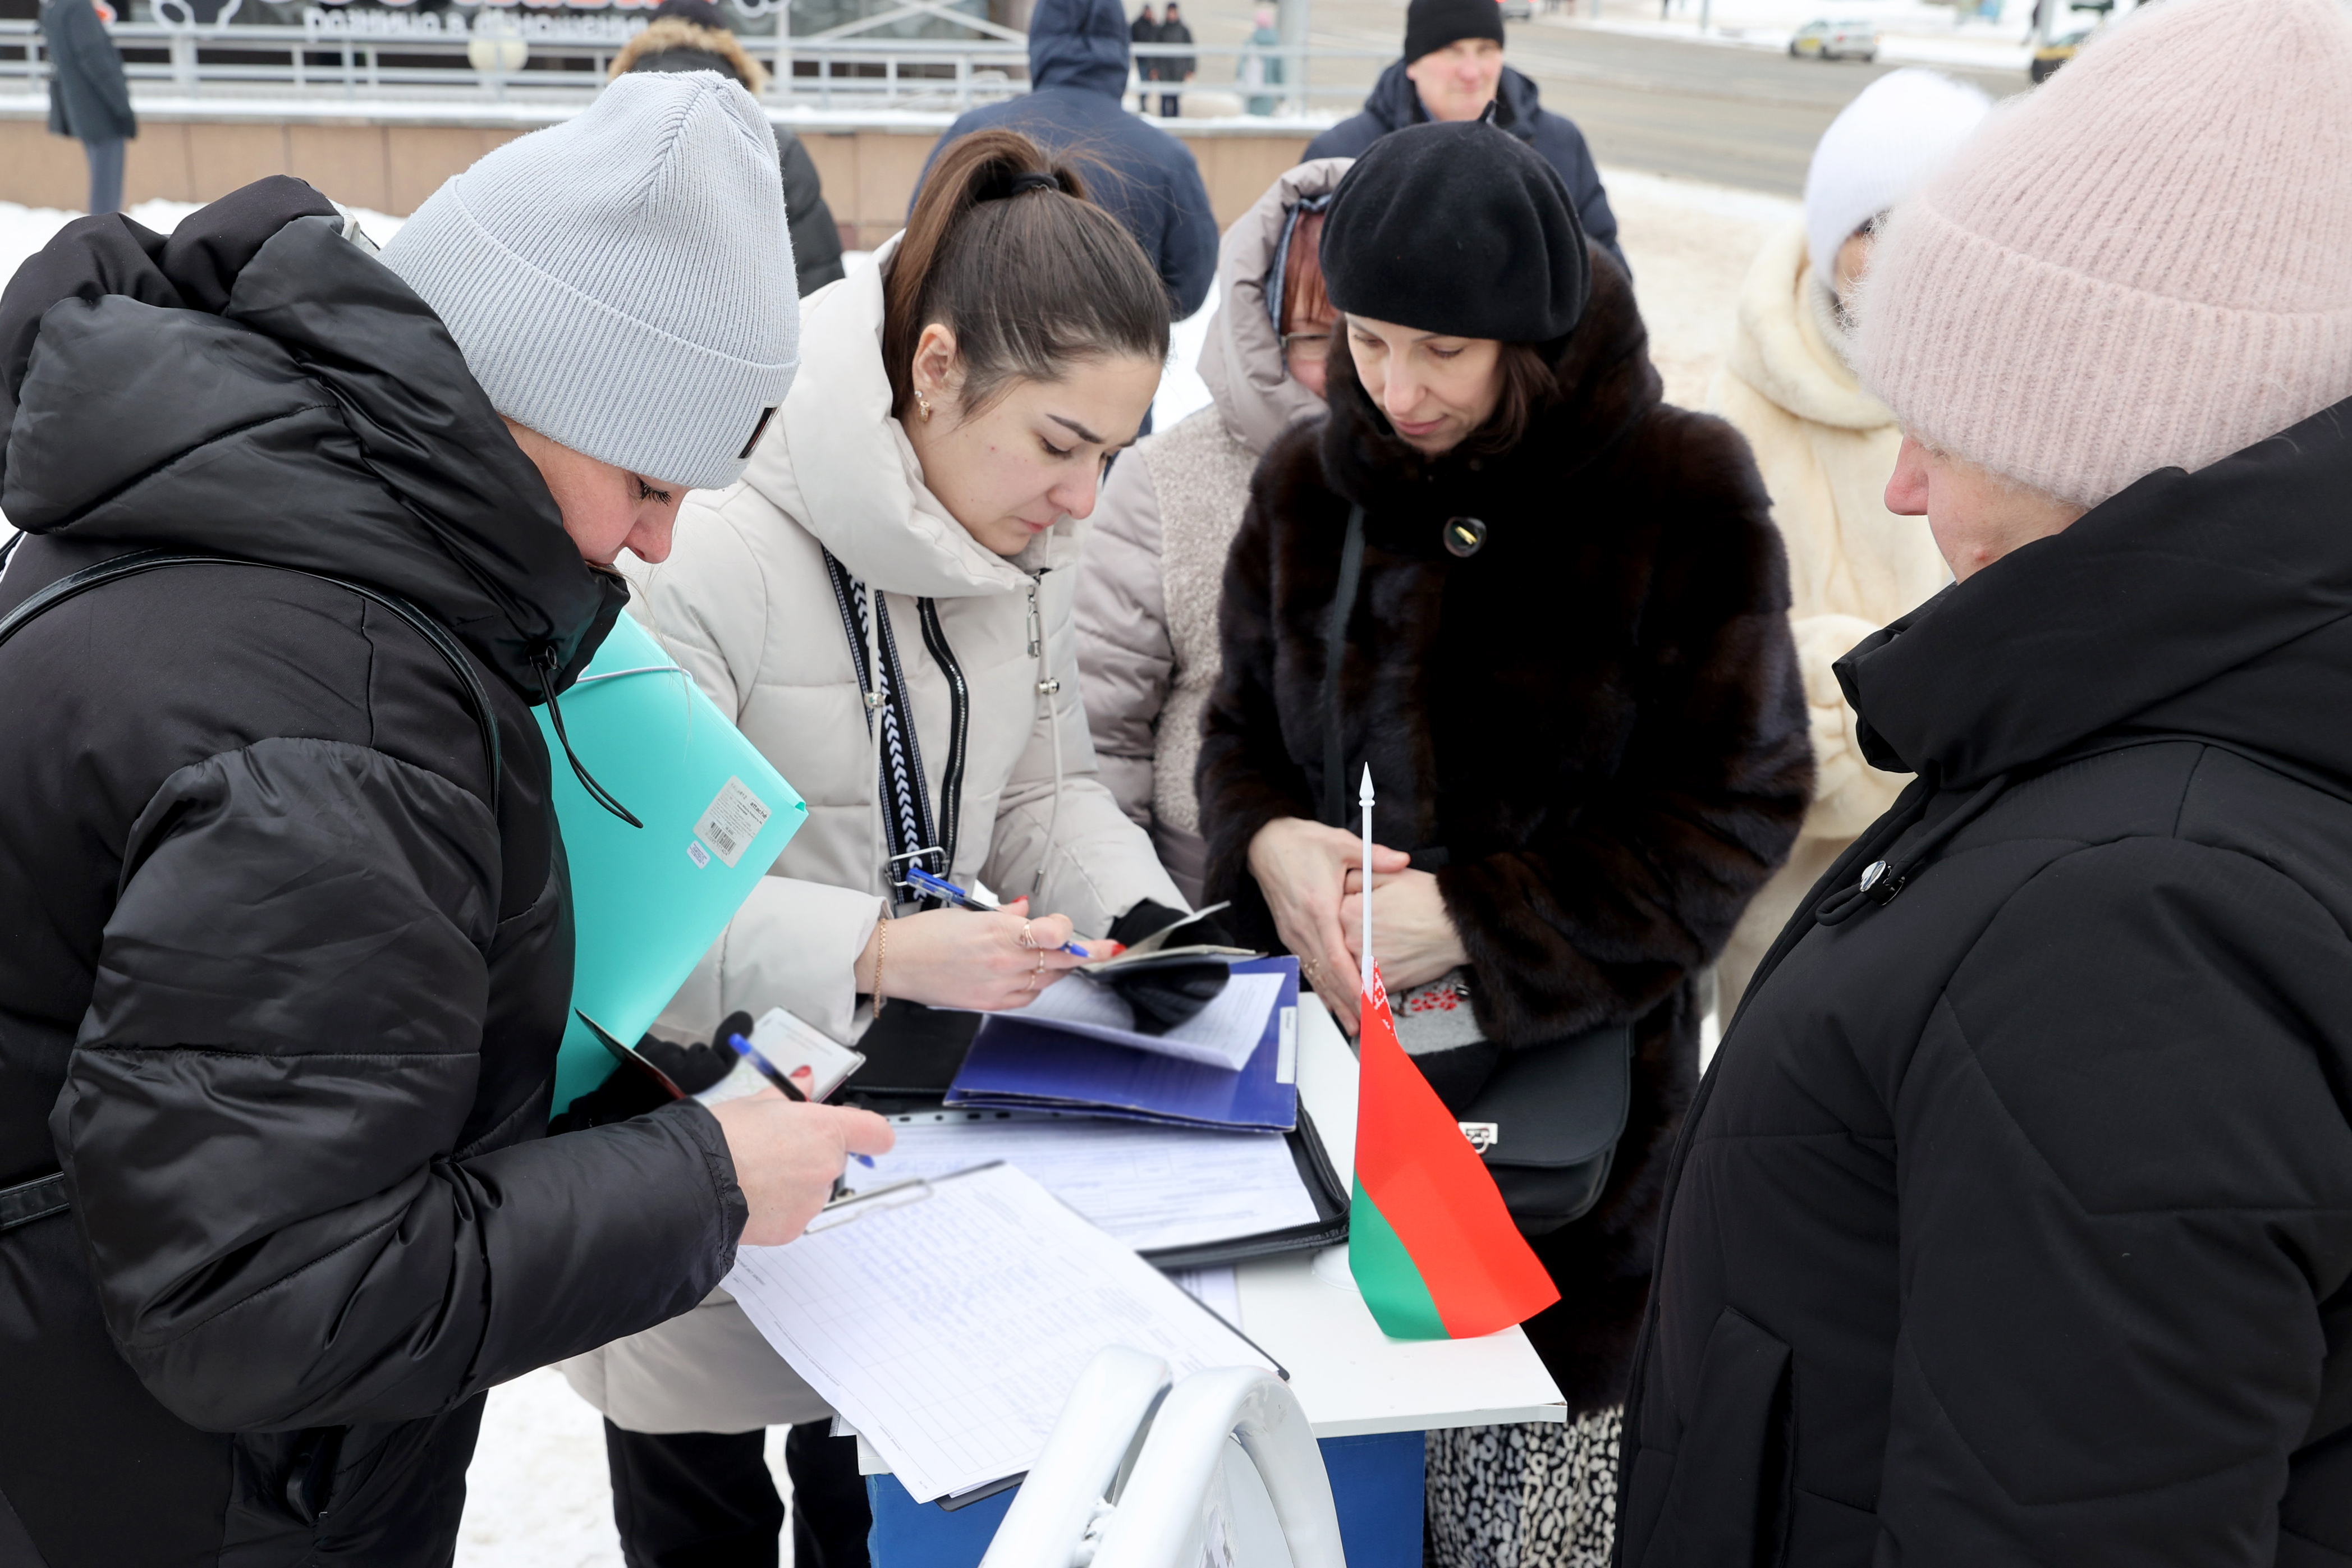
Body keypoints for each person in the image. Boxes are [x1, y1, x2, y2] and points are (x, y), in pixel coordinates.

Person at [0, 73, 892, 1568]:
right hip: (183, 1503)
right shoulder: (333, 726)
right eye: (647, 478)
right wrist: (705, 1184)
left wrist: (597, 1116)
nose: (659, 539)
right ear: (525, 396)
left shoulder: (260, 524)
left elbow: (278, 1084)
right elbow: (267, 1295)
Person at [1616, 2, 2352, 1563]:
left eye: (1941, 429)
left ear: (2117, 444)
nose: (1896, 482)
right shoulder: (2137, 777)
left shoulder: (2139, 929)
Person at [563, 127, 1196, 1568]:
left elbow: (1041, 798)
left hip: (906, 1147)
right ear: (932, 370)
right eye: (1058, 444)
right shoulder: (706, 540)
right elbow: (612, 917)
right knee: (701, 1519)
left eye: (1111, 454)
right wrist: (873, 945)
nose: (1084, 500)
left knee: (882, 1505)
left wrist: (1151, 920)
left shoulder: (1027, 545)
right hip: (691, 1141)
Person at [1195, 121, 1809, 1567]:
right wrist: (1266, 845)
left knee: (1521, 1536)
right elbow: (1235, 740)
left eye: (1439, 353)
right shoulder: (1303, 495)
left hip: (1569, 1182)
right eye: (1364, 342)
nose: (1394, 390)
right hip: (1328, 1157)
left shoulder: (1679, 491)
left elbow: (1735, 809)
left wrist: (1476, 918)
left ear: (1525, 341)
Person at [1708, 68, 1988, 1014]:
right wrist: (1860, 724)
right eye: (1870, 226)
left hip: (1976, 857)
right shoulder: (1742, 406)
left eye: (1928, 224)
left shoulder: (2020, 397)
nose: (1898, 254)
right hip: (1799, 885)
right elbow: (1718, 658)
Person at [1077, 157, 1348, 906]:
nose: (1357, 370)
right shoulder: (1160, 482)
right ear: (1260, 322)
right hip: (1210, 902)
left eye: (1378, 335)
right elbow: (1099, 740)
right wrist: (1139, 924)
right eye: (1318, 338)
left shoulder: (1453, 482)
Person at [916, 0, 1218, 322]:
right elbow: (1189, 287)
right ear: (1120, 44)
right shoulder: (1168, 158)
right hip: (1115, 359)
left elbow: (918, 248)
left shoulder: (973, 134)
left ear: (1039, 40)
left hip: (986, 358)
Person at [1303, 0, 1623, 272]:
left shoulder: (1560, 145)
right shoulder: (1343, 156)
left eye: (1486, 49)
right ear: (1413, 64)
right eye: (1452, 51)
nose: (1472, 72)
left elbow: (1608, 279)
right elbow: (1305, 298)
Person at [609, 0, 846, 297]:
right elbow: (817, 281)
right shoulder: (774, 146)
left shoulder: (600, 133)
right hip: (744, 334)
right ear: (730, 55)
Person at [38, 0, 134, 217]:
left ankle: (104, 234)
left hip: (80, 107)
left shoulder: (55, 6)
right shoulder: (77, 6)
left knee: (102, 182)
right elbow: (95, 58)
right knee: (106, 190)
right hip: (100, 108)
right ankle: (106, 239)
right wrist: (121, 106)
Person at [1239, 3, 1283, 116]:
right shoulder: (1275, 45)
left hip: (1252, 92)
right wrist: (1283, 96)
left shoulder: (1250, 43)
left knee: (1252, 121)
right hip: (1269, 95)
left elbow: (1240, 69)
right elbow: (1280, 72)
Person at [1156, 0, 1195, 118]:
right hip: (1164, 69)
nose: (1172, 14)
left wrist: (1190, 69)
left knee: (1176, 98)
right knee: (1164, 98)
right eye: (1170, 12)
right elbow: (1154, 50)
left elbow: (1191, 50)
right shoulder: (1161, 29)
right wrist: (1154, 68)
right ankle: (1164, 122)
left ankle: (1176, 122)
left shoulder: (1184, 30)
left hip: (1178, 69)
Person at [1131, 0, 1161, 112]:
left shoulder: (1153, 25)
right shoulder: (1137, 24)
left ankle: (1143, 103)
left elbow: (1157, 38)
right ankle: (1142, 104)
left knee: (1149, 82)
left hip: (1151, 59)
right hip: (1142, 59)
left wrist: (1155, 24)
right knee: (1144, 81)